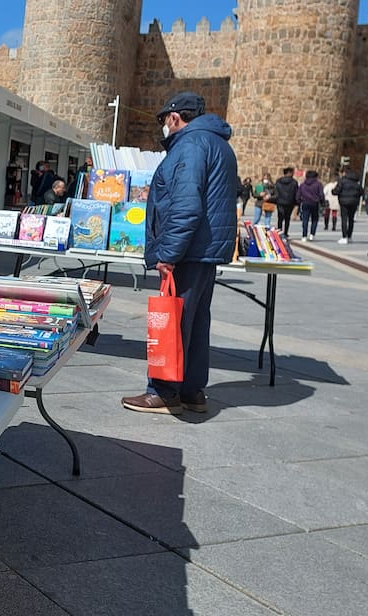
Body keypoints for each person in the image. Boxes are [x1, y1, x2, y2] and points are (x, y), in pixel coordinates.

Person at [122, 92, 237, 415]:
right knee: (196, 321)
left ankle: (163, 391)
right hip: (204, 250)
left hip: (188, 250)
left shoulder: (191, 145)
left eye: (164, 121)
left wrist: (168, 252)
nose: (164, 129)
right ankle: (191, 391)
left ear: (175, 117)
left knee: (174, 321)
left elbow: (185, 205)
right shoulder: (217, 144)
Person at [333, 168, 363, 244]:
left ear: (345, 173)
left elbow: (336, 191)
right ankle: (349, 236)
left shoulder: (342, 181)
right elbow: (361, 192)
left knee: (344, 219)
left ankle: (344, 237)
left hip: (343, 202)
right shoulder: (356, 182)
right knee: (351, 219)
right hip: (354, 202)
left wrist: (333, 192)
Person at [296, 169, 324, 240]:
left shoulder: (302, 185)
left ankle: (304, 236)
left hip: (305, 202)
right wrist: (322, 202)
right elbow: (321, 195)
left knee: (305, 219)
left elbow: (298, 195)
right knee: (314, 219)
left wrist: (299, 201)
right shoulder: (318, 184)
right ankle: (312, 234)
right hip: (315, 203)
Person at [274, 167, 299, 237]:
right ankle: (285, 232)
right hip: (290, 202)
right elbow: (296, 193)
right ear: (290, 173)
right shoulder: (294, 182)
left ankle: (279, 231)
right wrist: (296, 202)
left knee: (280, 218)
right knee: (287, 218)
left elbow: (276, 191)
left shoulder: (278, 181)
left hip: (280, 202)